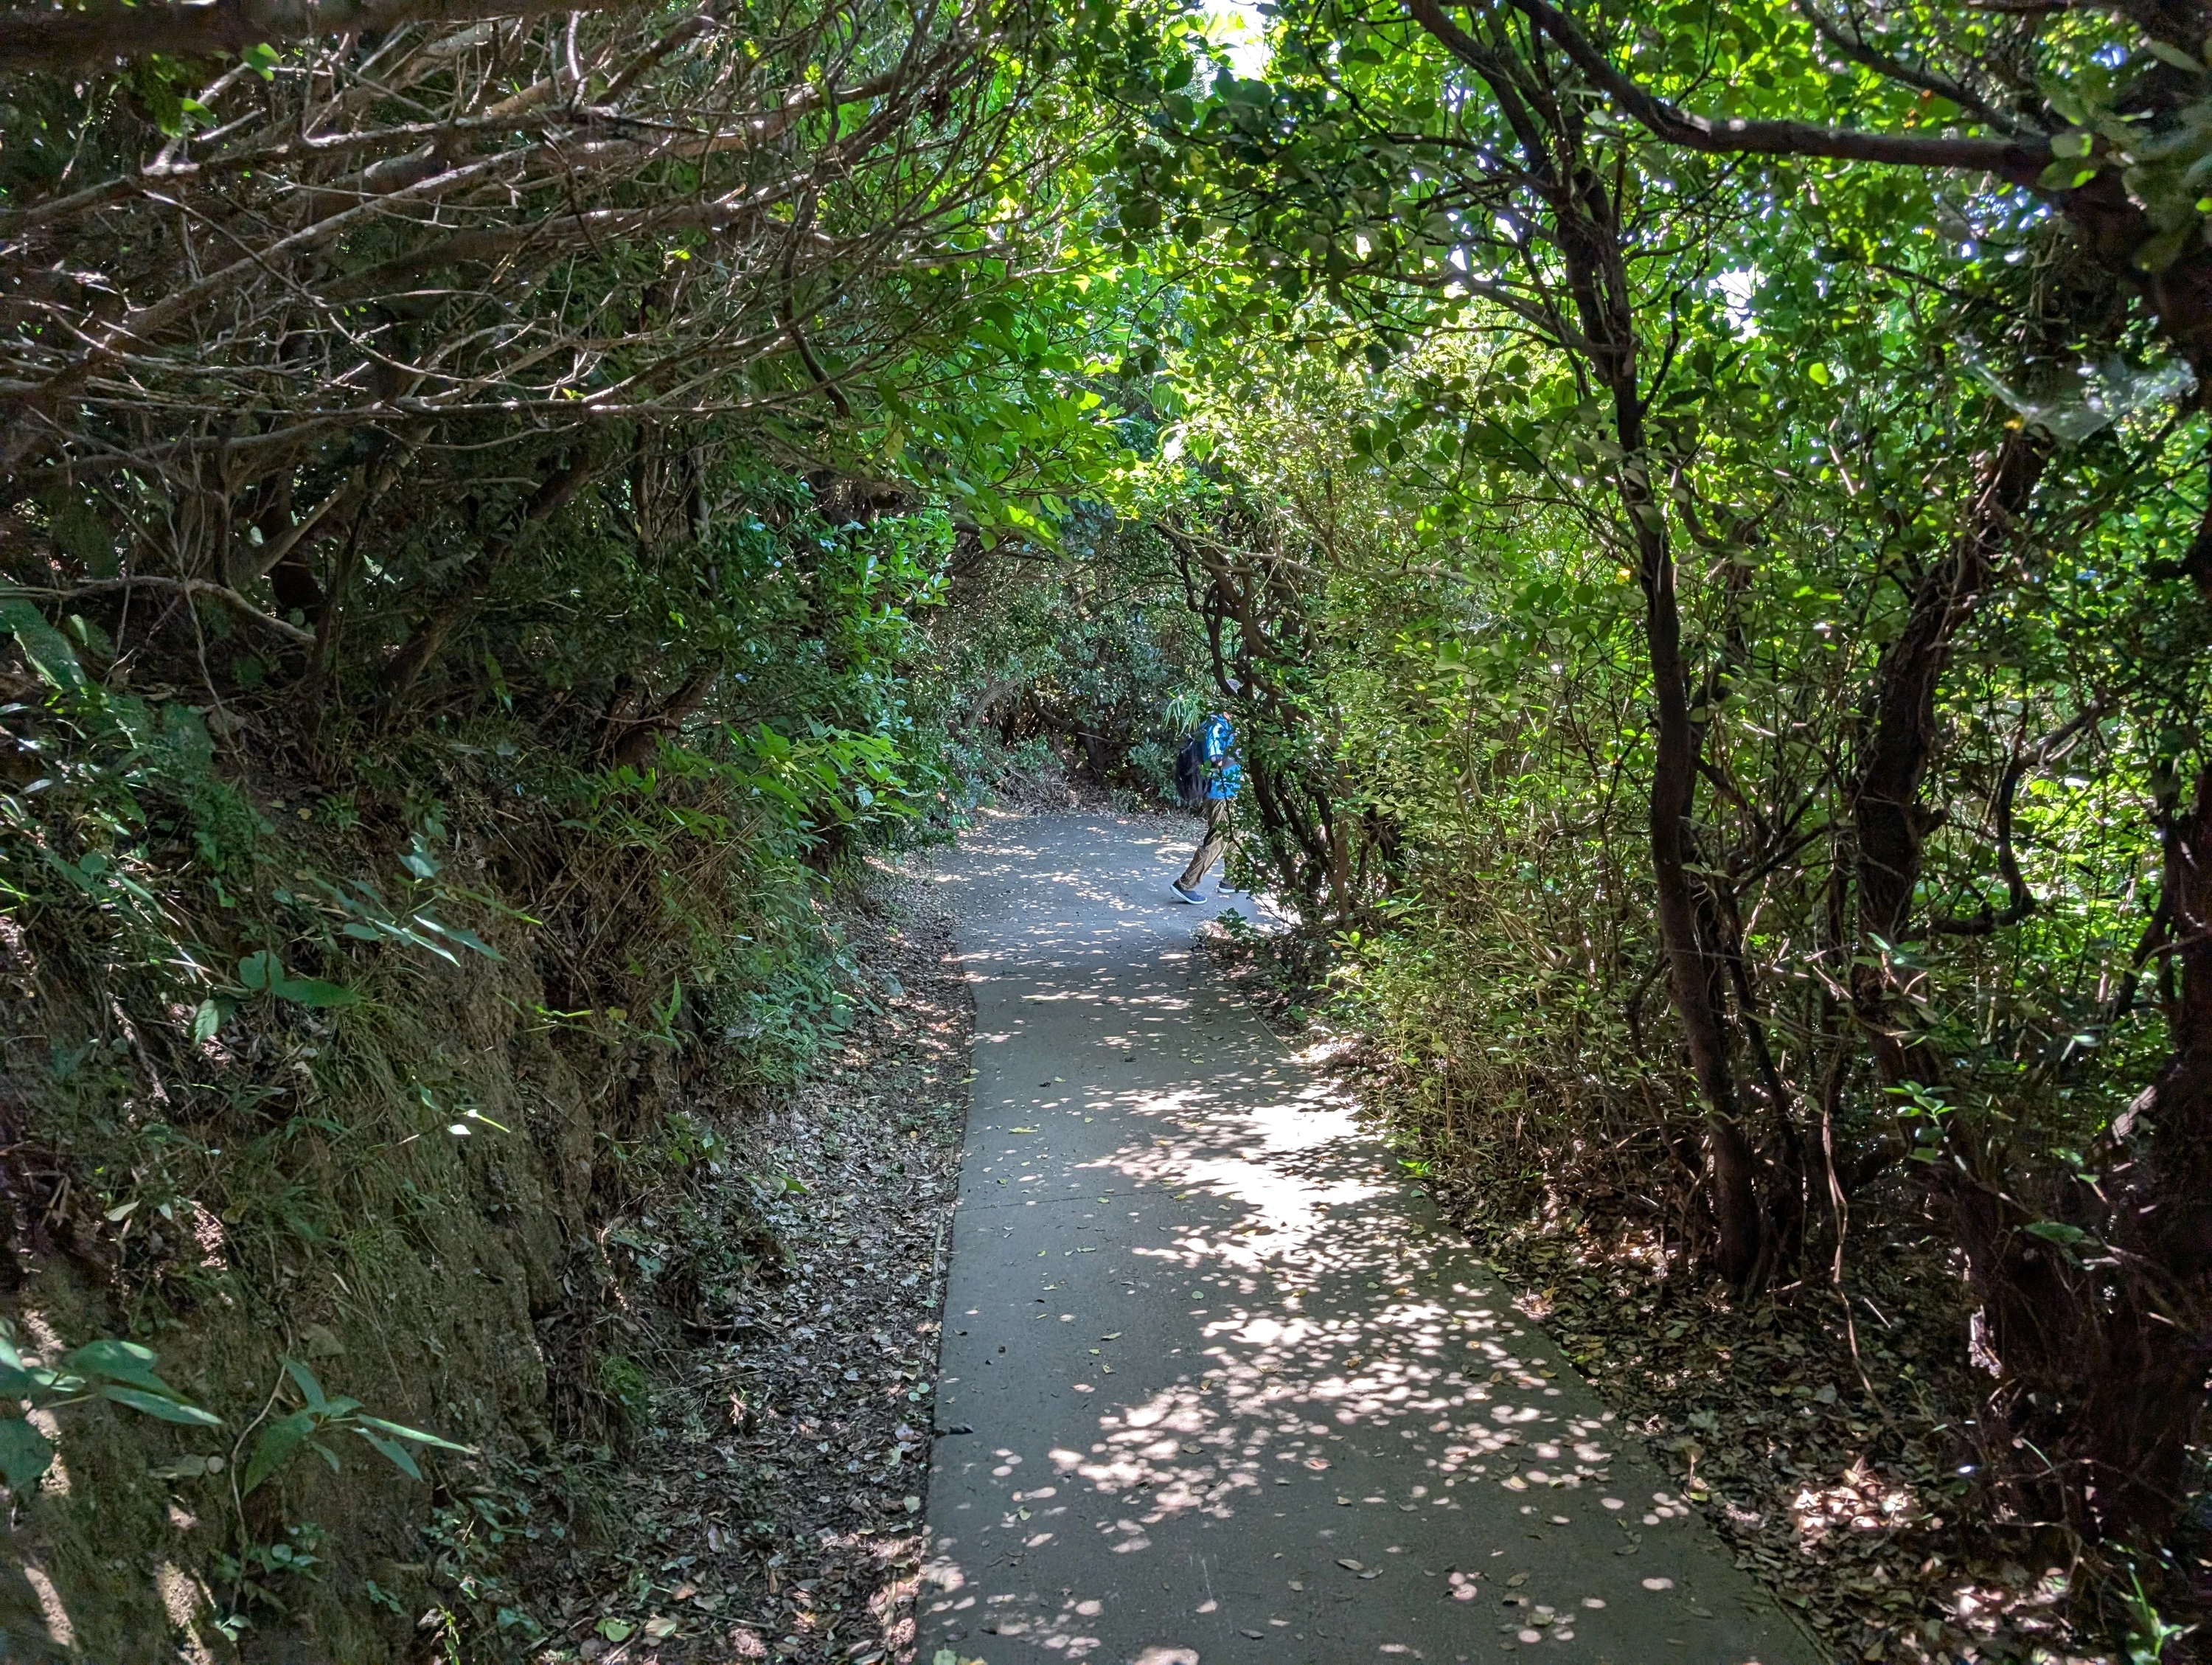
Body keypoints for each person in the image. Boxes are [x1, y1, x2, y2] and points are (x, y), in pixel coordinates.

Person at [1171, 707, 1240, 903]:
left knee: (1239, 833)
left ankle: (1233, 880)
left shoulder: (1227, 724)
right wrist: (1242, 753)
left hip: (1230, 790)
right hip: (1219, 792)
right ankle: (1185, 885)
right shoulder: (1215, 725)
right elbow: (1215, 761)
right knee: (1218, 838)